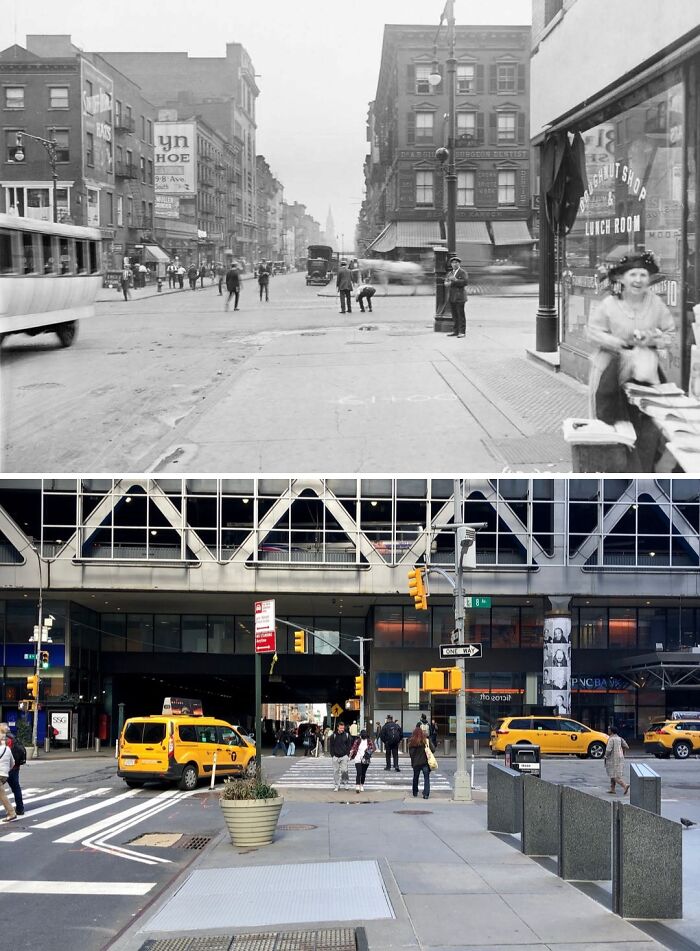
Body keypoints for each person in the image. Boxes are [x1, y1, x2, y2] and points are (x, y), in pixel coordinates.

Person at [587, 250, 676, 468]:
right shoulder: (609, 304)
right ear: (621, 278)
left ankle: (643, 471)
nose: (638, 280)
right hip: (610, 372)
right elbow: (592, 332)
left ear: (649, 279)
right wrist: (616, 342)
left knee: (648, 427)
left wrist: (652, 338)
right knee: (613, 428)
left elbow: (670, 334)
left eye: (643, 275)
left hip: (645, 374)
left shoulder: (656, 304)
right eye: (633, 274)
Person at [0, 723, 24, 816]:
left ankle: (10, 811)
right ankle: (20, 809)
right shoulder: (14, 738)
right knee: (16, 788)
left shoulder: (3, 740)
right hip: (14, 767)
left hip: (4, 768)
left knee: (2, 791)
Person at [408, 723, 436, 799]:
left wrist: (413, 763)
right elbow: (433, 750)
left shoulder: (412, 742)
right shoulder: (425, 740)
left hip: (416, 763)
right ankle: (426, 794)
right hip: (425, 762)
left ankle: (415, 792)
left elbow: (411, 754)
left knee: (415, 777)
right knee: (426, 778)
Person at [445, 255, 468, 337]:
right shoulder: (450, 273)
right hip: (452, 296)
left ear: (459, 264)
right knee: (454, 315)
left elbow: (465, 282)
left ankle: (462, 332)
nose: (454, 264)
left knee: (460, 315)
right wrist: (447, 283)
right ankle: (455, 331)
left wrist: (455, 280)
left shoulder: (462, 272)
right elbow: (446, 282)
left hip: (460, 297)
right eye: (453, 263)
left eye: (456, 262)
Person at [604, 726, 629, 795]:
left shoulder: (611, 739)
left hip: (612, 758)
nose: (608, 731)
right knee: (613, 773)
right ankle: (612, 789)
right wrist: (622, 751)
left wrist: (605, 756)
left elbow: (608, 749)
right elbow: (626, 746)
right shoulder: (619, 738)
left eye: (609, 730)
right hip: (620, 758)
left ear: (611, 731)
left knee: (614, 775)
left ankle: (625, 785)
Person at [349, 729, 375, 793]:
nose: (364, 735)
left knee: (363, 773)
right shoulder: (357, 741)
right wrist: (351, 754)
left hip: (365, 759)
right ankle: (357, 785)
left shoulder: (369, 741)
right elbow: (354, 748)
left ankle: (362, 785)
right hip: (358, 758)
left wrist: (368, 752)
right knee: (359, 772)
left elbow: (373, 748)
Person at [329, 721, 352, 791]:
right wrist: (333, 755)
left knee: (344, 770)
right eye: (341, 728)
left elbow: (349, 746)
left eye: (343, 728)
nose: (342, 729)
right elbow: (331, 746)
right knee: (336, 771)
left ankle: (345, 783)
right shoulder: (333, 736)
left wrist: (347, 755)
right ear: (337, 728)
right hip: (335, 756)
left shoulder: (347, 735)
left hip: (344, 756)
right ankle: (337, 785)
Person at [0, 737, 17, 822]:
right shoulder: (7, 749)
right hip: (4, 775)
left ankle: (11, 813)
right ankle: (10, 811)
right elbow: (12, 763)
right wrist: (6, 771)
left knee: (2, 794)